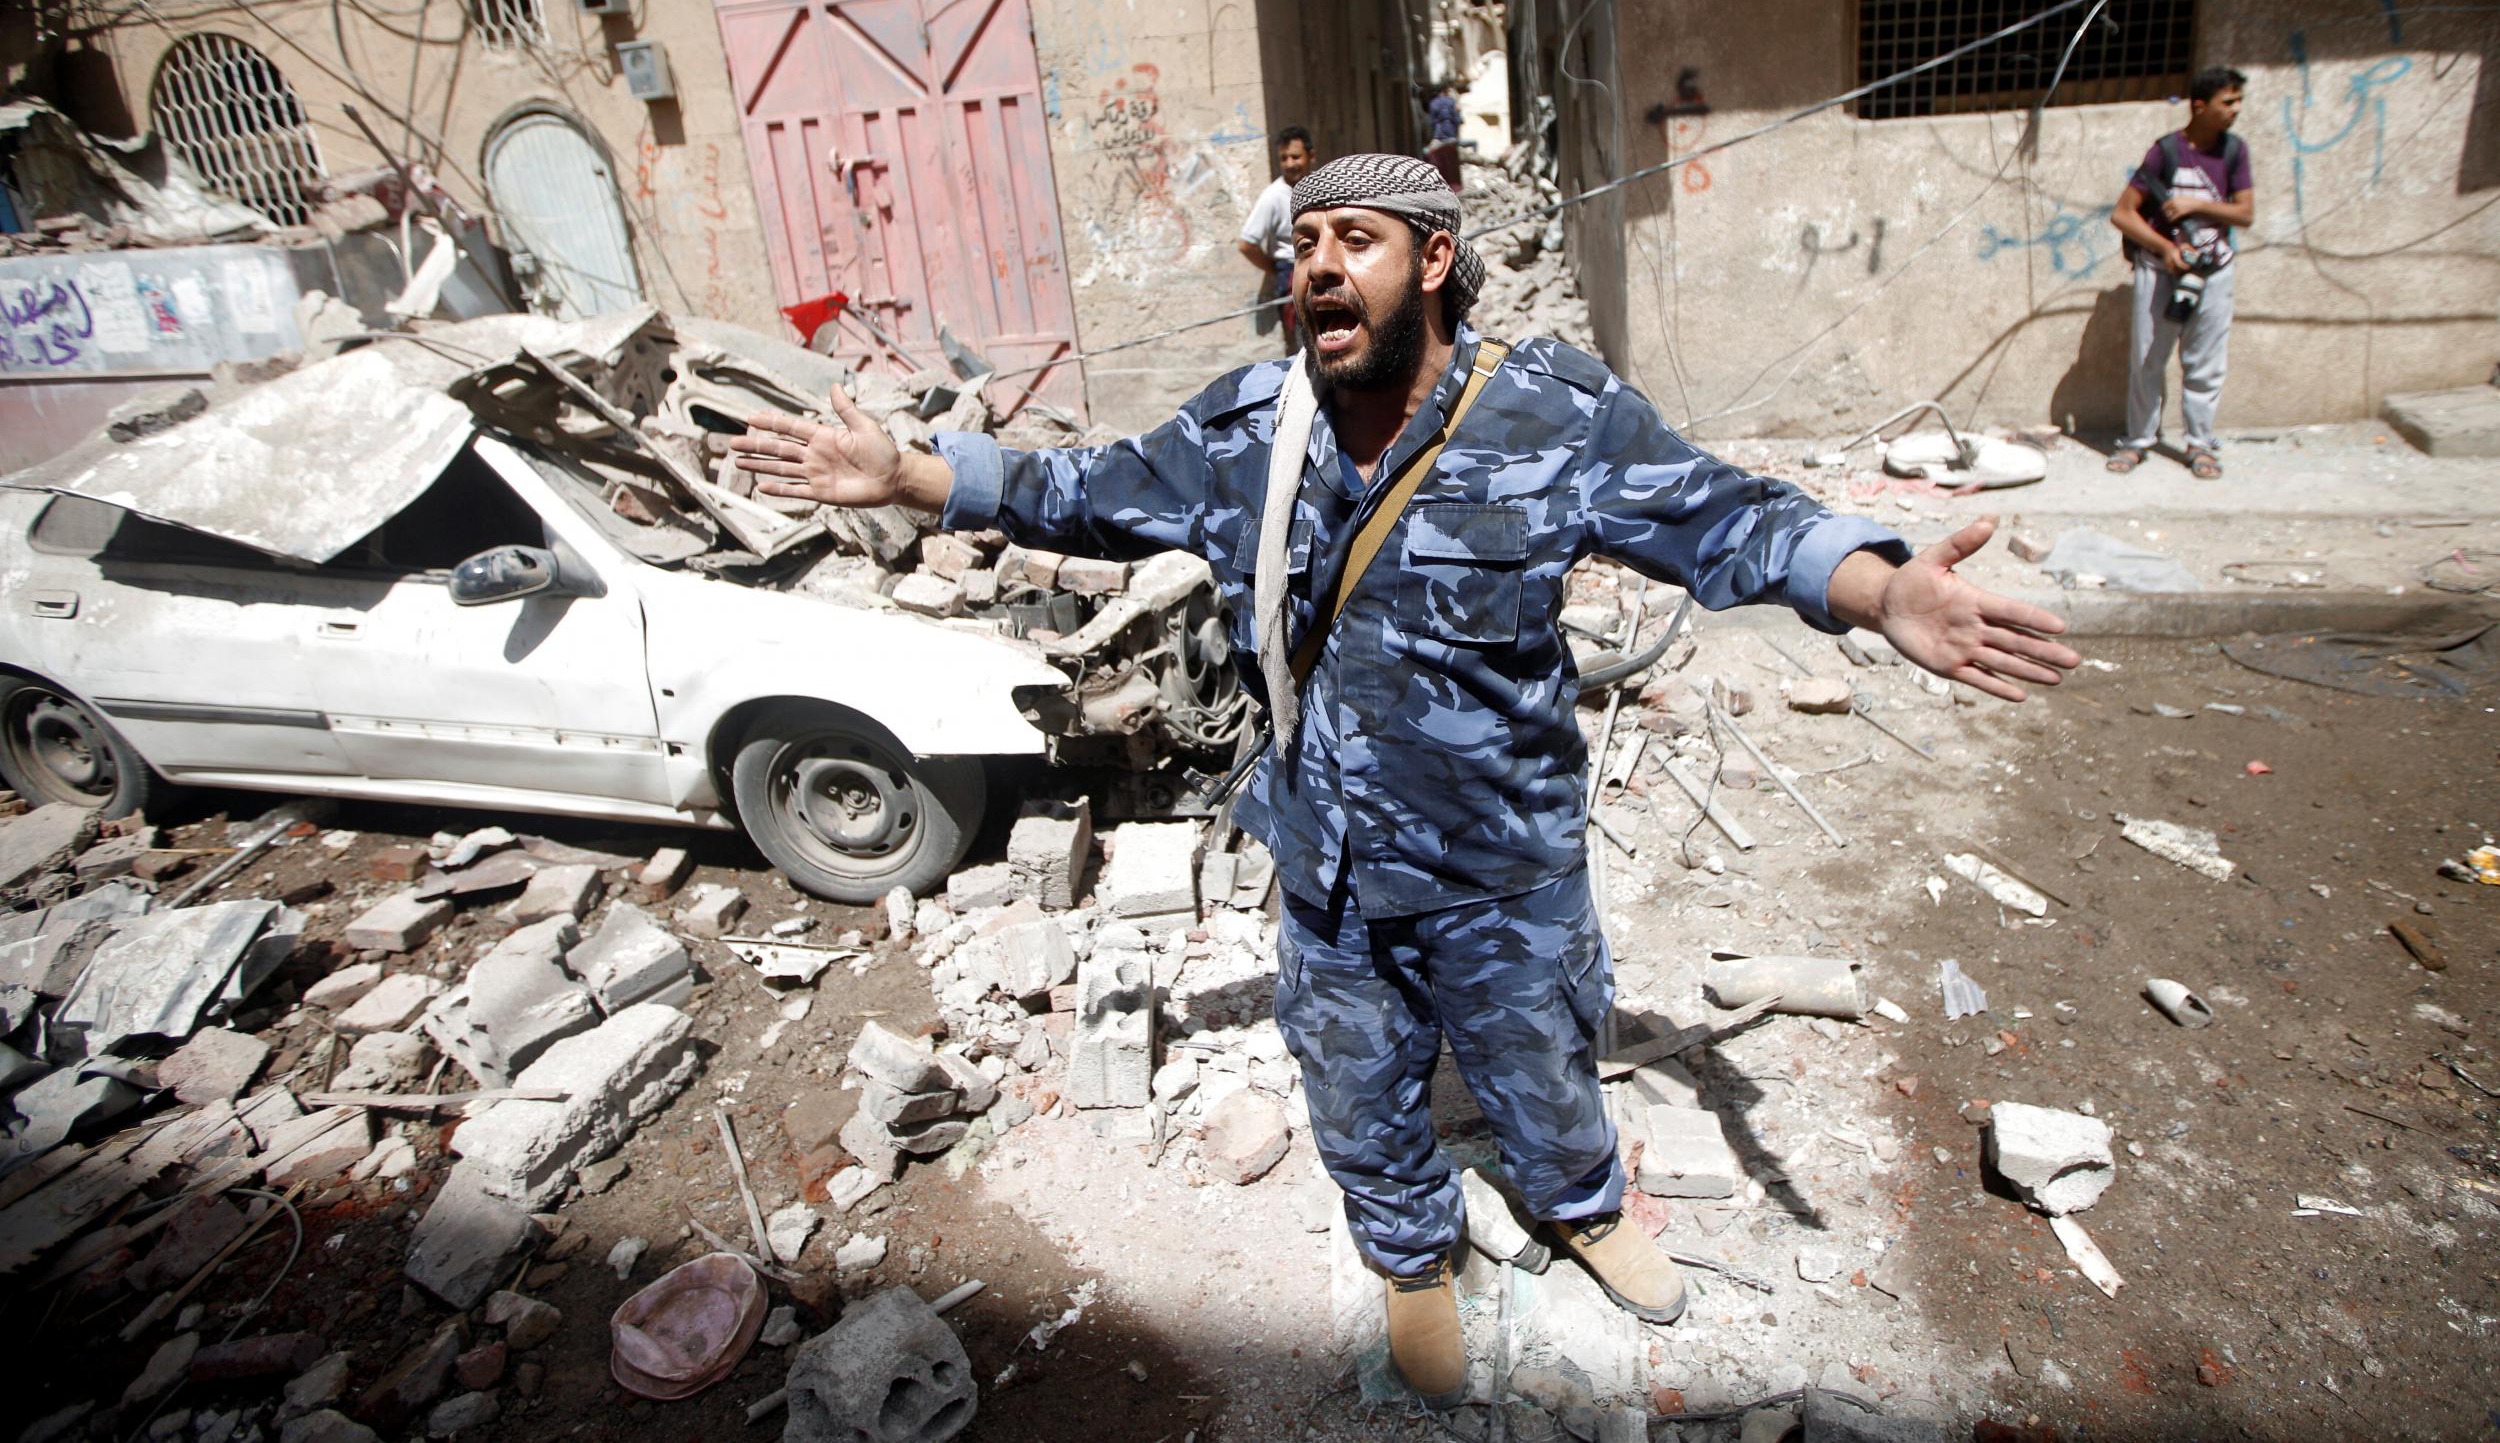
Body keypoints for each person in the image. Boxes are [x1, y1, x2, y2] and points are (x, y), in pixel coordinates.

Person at [733, 153, 2078, 1410]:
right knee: (1356, 1081)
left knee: (1543, 1054)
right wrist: (911, 471)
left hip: (1506, 864)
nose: (1317, 265)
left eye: (1354, 241)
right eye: (1304, 243)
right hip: (1330, 862)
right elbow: (1082, 489)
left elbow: (1727, 517)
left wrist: (1881, 581)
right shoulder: (1255, 427)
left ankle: (1585, 1205)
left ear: (1433, 260)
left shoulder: (1552, 409)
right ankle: (1413, 1257)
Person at [2106, 67, 2255, 479]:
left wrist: (2195, 207)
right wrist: (2166, 248)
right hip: (2160, 270)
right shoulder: (2166, 152)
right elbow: (2123, 214)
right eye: (2228, 102)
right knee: (2148, 358)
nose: (2235, 110)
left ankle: (2199, 444)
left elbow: (2245, 213)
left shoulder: (2234, 152)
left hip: (2213, 273)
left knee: (2205, 363)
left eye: (2238, 101)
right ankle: (2138, 442)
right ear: (2200, 105)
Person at [1237, 125, 1314, 343]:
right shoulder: (1272, 196)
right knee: (1303, 341)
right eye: (1284, 158)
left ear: (1311, 156)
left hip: (1321, 266)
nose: (1290, 164)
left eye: (1295, 157)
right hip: (1291, 273)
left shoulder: (1319, 187)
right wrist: (1276, 269)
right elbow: (1246, 244)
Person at [1425, 85, 1463, 189]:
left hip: (1439, 134)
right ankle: (1456, 184)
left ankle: (1443, 184)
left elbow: (1432, 122)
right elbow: (1457, 119)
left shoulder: (1434, 103)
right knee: (1452, 160)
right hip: (1450, 134)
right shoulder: (1451, 102)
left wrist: (1431, 136)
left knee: (1441, 160)